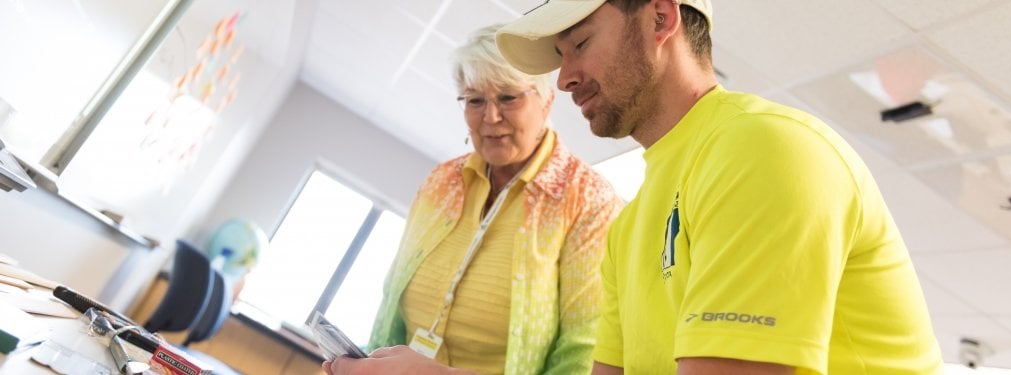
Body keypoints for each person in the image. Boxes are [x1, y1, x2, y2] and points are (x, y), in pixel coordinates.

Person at [495, 1, 944, 374]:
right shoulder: (627, 228)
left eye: (580, 43)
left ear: (660, 18)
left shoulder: (763, 149)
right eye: (561, 55)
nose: (565, 77)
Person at [323, 24, 623, 375]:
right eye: (475, 100)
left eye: (509, 97)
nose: (491, 117)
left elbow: (580, 356)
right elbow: (392, 307)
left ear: (546, 101)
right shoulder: (441, 181)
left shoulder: (589, 202)